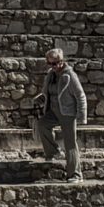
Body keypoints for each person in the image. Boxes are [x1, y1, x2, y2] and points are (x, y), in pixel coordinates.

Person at [31, 47, 85, 179]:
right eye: (49, 63)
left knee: (70, 143)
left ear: (61, 61)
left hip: (67, 113)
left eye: (54, 63)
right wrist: (40, 98)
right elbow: (48, 92)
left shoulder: (69, 75)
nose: (52, 66)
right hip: (53, 111)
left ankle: (75, 174)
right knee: (42, 124)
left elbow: (80, 96)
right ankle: (53, 152)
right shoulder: (51, 75)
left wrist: (81, 116)